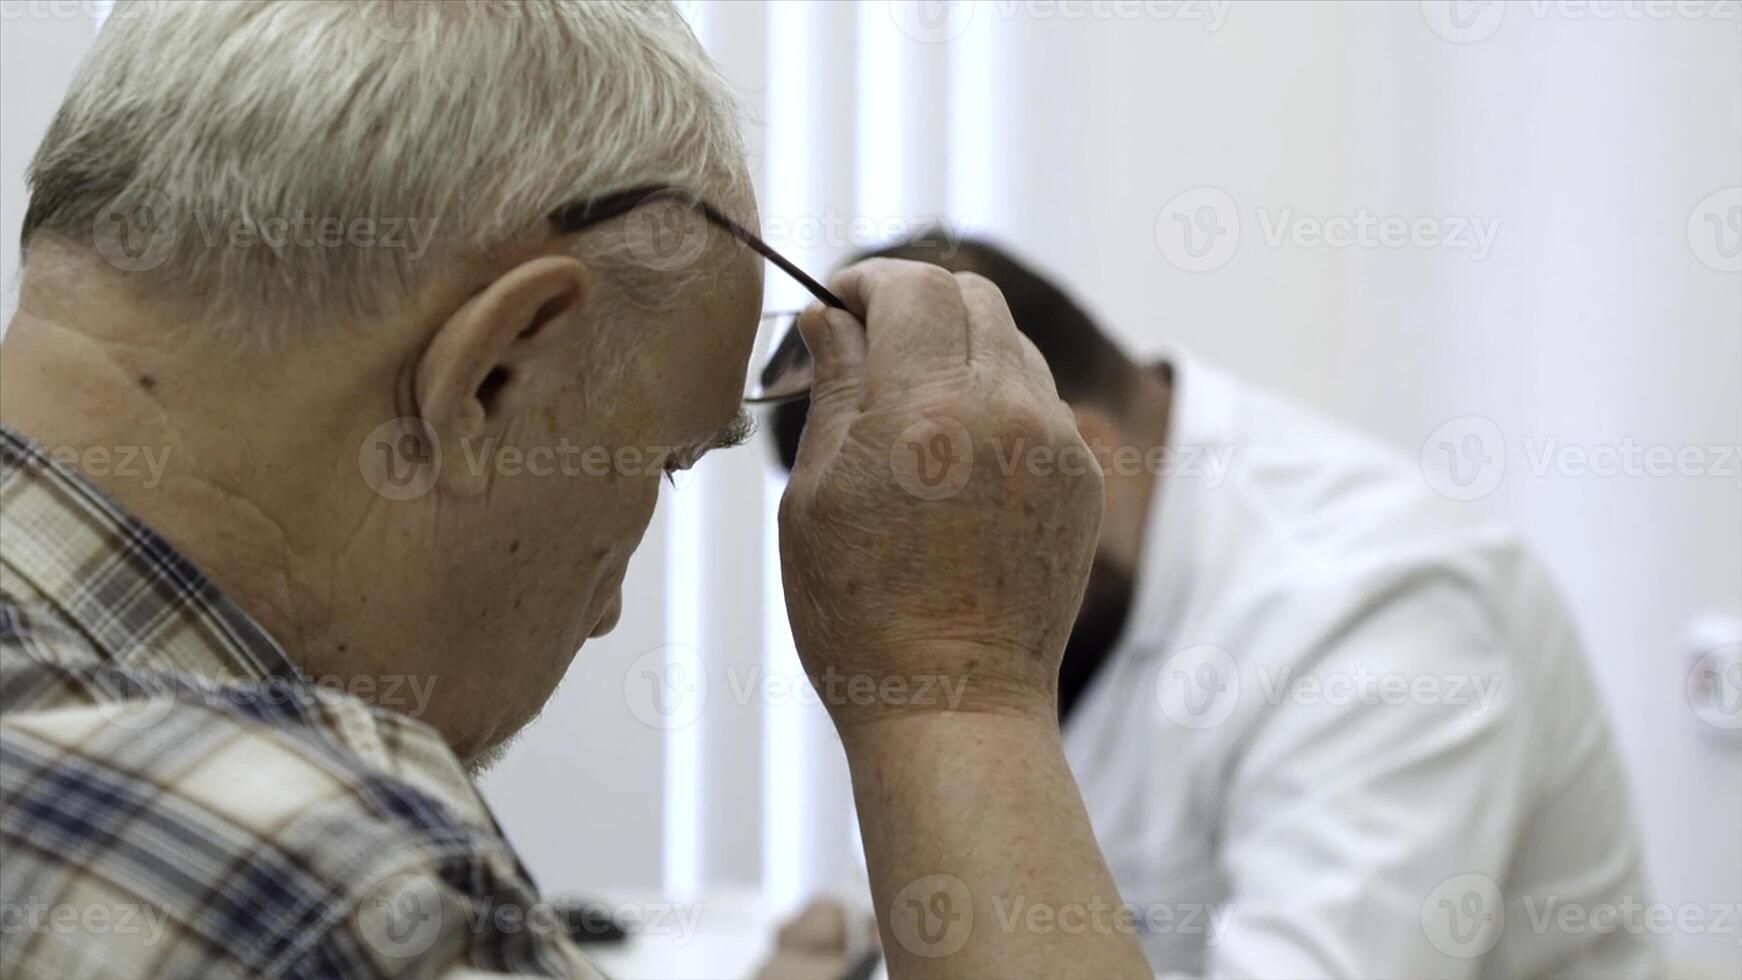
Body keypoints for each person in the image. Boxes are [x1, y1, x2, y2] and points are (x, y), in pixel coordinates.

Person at [0, 3, 1152, 978]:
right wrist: (957, 694)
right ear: (493, 372)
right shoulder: (316, 863)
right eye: (656, 460)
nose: (606, 612)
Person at [760, 236, 1657, 978]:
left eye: (924, 545)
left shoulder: (1386, 609)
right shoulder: (1095, 586)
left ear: (1066, 457)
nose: (915, 593)